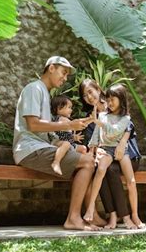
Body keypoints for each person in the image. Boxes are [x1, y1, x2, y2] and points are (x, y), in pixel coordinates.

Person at [12, 56, 100, 231]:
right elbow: (33, 125)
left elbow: (48, 132)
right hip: (30, 149)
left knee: (85, 158)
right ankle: (74, 218)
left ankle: (91, 215)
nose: (65, 78)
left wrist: (72, 142)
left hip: (41, 146)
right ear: (51, 68)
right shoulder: (34, 88)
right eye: (63, 72)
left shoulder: (45, 92)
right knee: (88, 162)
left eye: (67, 75)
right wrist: (68, 124)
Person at [81, 81, 144, 229]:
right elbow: (95, 136)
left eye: (90, 92)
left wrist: (122, 141)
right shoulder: (97, 116)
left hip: (127, 153)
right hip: (107, 151)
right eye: (85, 95)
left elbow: (121, 127)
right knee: (100, 169)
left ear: (98, 89)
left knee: (127, 179)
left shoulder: (122, 117)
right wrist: (93, 150)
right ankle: (109, 214)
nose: (89, 97)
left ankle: (131, 215)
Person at [50, 95, 87, 176]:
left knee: (83, 148)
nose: (71, 110)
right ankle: (56, 162)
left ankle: (80, 166)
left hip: (70, 144)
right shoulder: (60, 118)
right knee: (66, 144)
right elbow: (77, 123)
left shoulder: (66, 120)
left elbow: (67, 134)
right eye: (69, 107)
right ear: (59, 108)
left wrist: (74, 137)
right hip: (58, 142)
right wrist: (90, 119)